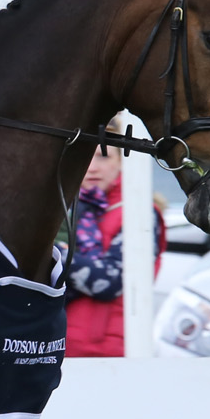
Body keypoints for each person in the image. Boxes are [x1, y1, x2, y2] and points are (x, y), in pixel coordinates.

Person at [63, 133, 166, 358]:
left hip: (108, 351)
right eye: (84, 157)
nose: (92, 168)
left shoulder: (138, 211)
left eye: (103, 157)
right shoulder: (62, 208)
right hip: (56, 345)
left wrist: (56, 255)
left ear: (121, 161)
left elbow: (111, 281)